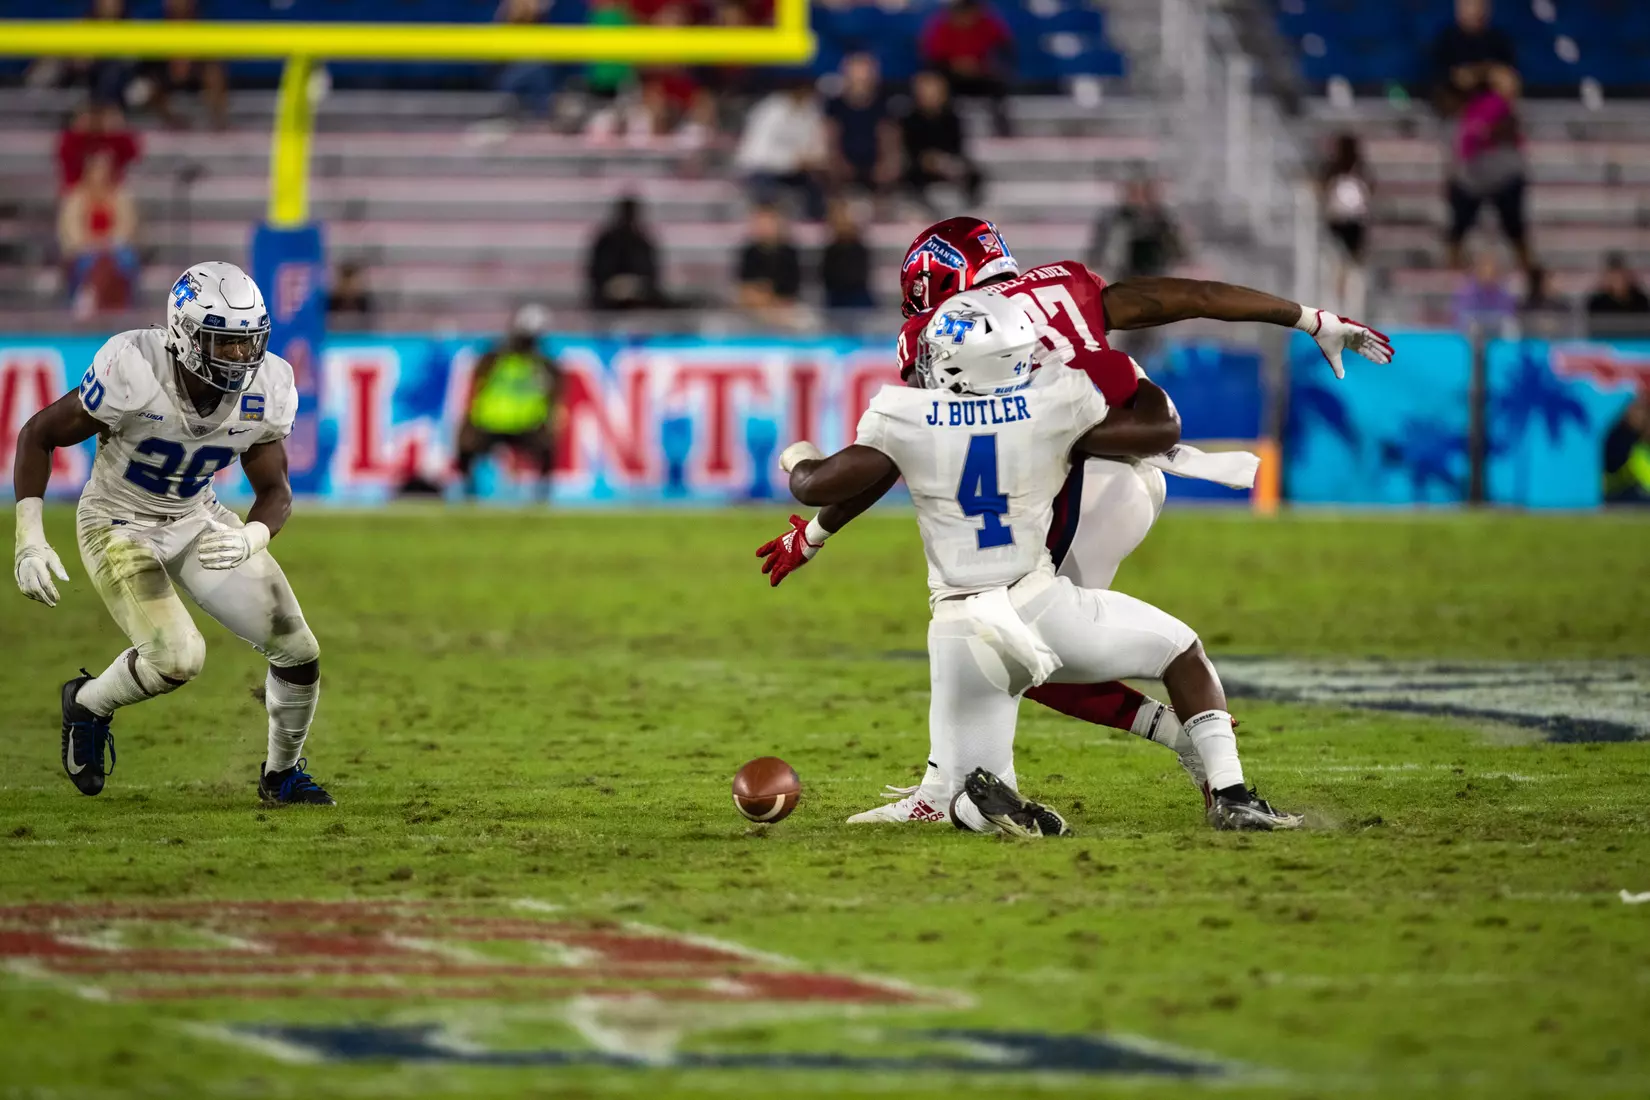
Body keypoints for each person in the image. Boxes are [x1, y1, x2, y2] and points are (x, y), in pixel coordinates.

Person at [756, 216, 1392, 824]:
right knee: (1025, 638)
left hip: (1068, 480)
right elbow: (1191, 295)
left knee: (1007, 628)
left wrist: (814, 533)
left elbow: (900, 455)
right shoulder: (1061, 288)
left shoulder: (949, 339)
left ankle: (1154, 751)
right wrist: (1307, 317)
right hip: (1135, 476)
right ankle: (953, 778)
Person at [10, 261, 331, 806]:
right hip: (118, 522)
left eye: (249, 342)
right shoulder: (134, 368)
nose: (241, 357)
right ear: (184, 334)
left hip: (195, 518)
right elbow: (38, 434)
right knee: (178, 658)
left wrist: (253, 535)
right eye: (224, 343)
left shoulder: (267, 386)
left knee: (298, 650)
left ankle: (281, 774)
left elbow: (275, 491)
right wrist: (29, 536)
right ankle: (87, 703)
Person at [456, 305, 563, 501]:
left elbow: (554, 396)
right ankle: (468, 492)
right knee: (466, 449)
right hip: (494, 420)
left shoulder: (540, 364)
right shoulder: (497, 358)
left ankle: (542, 495)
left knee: (547, 450)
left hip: (521, 422)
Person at [1446, 67, 1528, 272]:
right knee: (1460, 223)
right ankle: (1453, 261)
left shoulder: (1502, 108)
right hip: (1471, 178)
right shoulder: (1465, 108)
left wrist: (1489, 132)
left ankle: (1526, 263)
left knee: (1514, 225)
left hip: (1503, 174)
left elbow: (1508, 133)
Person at [733, 80, 827, 221]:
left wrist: (811, 160)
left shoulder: (810, 111)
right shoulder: (771, 110)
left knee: (817, 186)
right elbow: (757, 153)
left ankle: (814, 223)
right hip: (761, 170)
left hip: (794, 171)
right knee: (765, 188)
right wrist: (793, 161)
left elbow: (815, 146)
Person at [58, 149, 140, 311]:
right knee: (94, 262)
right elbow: (70, 230)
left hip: (115, 248)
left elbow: (128, 227)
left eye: (104, 171)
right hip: (85, 248)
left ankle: (91, 296)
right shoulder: (76, 197)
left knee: (120, 260)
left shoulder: (121, 196)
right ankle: (96, 299)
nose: (100, 175)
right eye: (96, 170)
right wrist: (91, 243)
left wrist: (108, 242)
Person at [919, 0, 1015, 137]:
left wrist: (985, 66)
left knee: (998, 86)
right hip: (950, 75)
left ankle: (1002, 130)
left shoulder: (987, 24)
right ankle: (948, 133)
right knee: (938, 87)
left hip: (980, 74)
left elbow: (1006, 46)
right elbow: (931, 57)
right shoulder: (941, 26)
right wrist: (955, 65)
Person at [136, 0, 230, 130]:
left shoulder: (203, 23)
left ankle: (219, 123)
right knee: (146, 86)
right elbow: (147, 62)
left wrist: (189, 60)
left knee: (214, 74)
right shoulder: (155, 23)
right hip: (165, 74)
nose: (179, 3)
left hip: (195, 73)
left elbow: (211, 56)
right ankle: (171, 122)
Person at [900, 70, 984, 211]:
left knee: (973, 173)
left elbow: (957, 147)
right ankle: (923, 210)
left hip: (947, 162)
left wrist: (946, 162)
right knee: (910, 173)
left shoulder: (952, 118)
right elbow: (908, 149)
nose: (930, 94)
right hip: (919, 165)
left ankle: (970, 210)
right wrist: (928, 160)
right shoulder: (908, 119)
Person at [823, 53, 899, 199]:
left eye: (864, 72)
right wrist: (838, 161)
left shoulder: (885, 104)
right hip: (844, 164)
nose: (860, 78)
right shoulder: (834, 105)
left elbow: (889, 136)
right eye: (855, 72)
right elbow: (831, 135)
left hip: (875, 164)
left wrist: (888, 163)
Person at [1089, 178, 1184, 282]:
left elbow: (1179, 251)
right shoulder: (1114, 220)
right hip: (1123, 277)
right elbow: (1099, 252)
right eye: (1134, 192)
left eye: (1143, 193)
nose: (1139, 198)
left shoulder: (1163, 220)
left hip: (1156, 277)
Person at [1430, 0, 1517, 112]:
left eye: (1480, 5)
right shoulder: (1446, 39)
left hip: (1490, 102)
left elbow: (1508, 73)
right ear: (1458, 8)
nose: (1475, 11)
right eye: (1469, 4)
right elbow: (1439, 75)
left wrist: (1482, 74)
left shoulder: (1499, 40)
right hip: (1455, 101)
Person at [586, 195, 664, 311]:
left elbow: (652, 275)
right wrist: (615, 287)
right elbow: (596, 274)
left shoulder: (642, 242)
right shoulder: (606, 242)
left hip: (640, 300)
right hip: (607, 302)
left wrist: (634, 286)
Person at [736, 204, 804, 316]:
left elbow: (790, 289)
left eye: (767, 222)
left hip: (784, 307)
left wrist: (770, 297)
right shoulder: (750, 252)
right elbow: (745, 285)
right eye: (760, 222)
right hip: (753, 307)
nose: (763, 226)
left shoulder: (789, 252)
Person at [57, 103, 140, 192]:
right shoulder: (72, 141)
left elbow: (133, 153)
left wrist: (118, 130)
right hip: (77, 187)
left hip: (112, 188)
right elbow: (67, 158)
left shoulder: (117, 141)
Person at [820, 200, 873, 311]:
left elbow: (859, 276)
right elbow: (826, 275)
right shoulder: (831, 250)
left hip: (856, 297)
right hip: (835, 298)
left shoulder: (859, 249)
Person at [1453, 251, 1517, 333]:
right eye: (1485, 269)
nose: (1488, 274)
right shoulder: (1466, 293)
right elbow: (1460, 320)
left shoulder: (1505, 296)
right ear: (1477, 270)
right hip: (1471, 339)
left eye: (1493, 270)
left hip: (1498, 339)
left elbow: (1509, 319)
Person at [1585, 253, 1650, 318]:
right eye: (1613, 275)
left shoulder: (1640, 300)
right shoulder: (1596, 302)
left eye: (1620, 274)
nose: (1618, 279)